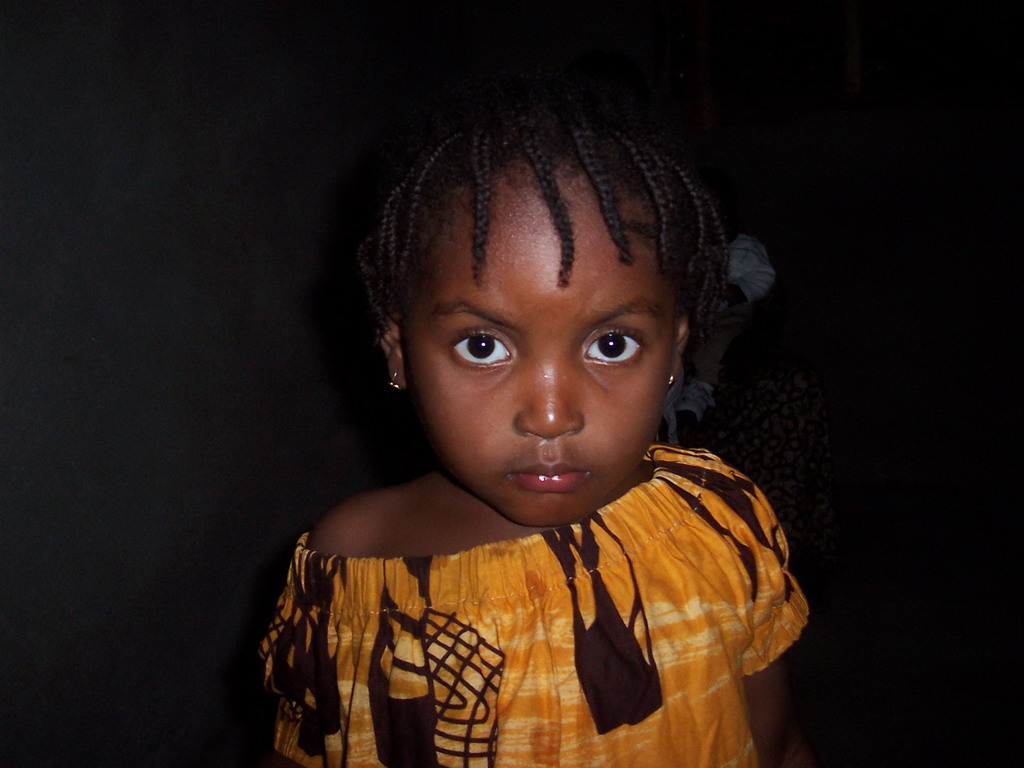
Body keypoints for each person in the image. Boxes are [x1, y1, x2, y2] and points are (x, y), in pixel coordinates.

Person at [258, 72, 816, 768]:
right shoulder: (356, 568)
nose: (550, 416)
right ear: (399, 355)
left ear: (675, 353)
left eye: (611, 345)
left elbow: (780, 745)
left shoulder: (718, 528)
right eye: (483, 345)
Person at [663, 167, 777, 438]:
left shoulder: (746, 249)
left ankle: (701, 391)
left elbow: (766, 278)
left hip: (734, 313)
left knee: (719, 347)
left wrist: (742, 291)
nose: (717, 223)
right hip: (698, 317)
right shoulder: (692, 252)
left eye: (723, 215)